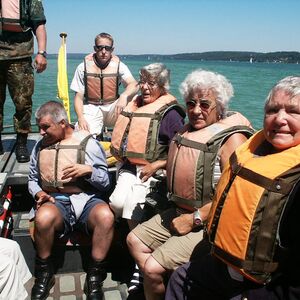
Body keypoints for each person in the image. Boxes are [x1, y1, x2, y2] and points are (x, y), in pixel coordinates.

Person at [165, 75, 300, 300]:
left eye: (293, 111)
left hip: (266, 283)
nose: (279, 119)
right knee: (180, 280)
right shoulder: (252, 149)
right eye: (272, 110)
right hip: (221, 262)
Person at [126, 69, 254, 300]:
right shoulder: (190, 129)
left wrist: (194, 218)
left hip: (208, 224)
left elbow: (236, 194)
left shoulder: (232, 139)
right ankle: (169, 286)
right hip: (178, 210)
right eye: (191, 103)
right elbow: (189, 160)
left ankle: (162, 281)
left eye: (205, 104)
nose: (196, 111)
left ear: (220, 105)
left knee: (152, 268)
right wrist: (160, 164)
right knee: (134, 240)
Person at [109, 62, 185, 294]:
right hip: (130, 168)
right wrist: (122, 99)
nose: (145, 87)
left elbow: (180, 150)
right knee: (117, 202)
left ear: (163, 86)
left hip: (156, 172)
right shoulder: (135, 104)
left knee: (132, 205)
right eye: (142, 81)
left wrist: (158, 164)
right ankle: (135, 247)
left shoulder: (171, 115)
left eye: (151, 83)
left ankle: (138, 264)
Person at [28, 101, 114, 300]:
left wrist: (90, 171)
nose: (41, 133)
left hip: (86, 200)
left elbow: (105, 183)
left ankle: (94, 276)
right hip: (56, 200)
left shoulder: (88, 144)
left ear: (63, 123)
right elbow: (32, 179)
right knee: (43, 218)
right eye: (39, 127)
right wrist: (39, 194)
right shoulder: (40, 147)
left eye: (46, 127)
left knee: (106, 217)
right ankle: (44, 273)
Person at [0, 0, 47, 162]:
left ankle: (21, 142)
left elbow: (39, 24)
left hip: (20, 57)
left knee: (23, 103)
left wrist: (41, 53)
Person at [70, 32, 139, 138]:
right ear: (94, 48)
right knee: (82, 137)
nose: (103, 52)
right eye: (100, 48)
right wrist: (80, 118)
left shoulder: (119, 65)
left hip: (113, 108)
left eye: (107, 48)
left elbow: (134, 84)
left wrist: (124, 96)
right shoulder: (82, 67)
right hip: (92, 107)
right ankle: (94, 137)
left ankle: (128, 137)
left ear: (112, 49)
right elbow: (78, 97)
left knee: (135, 98)